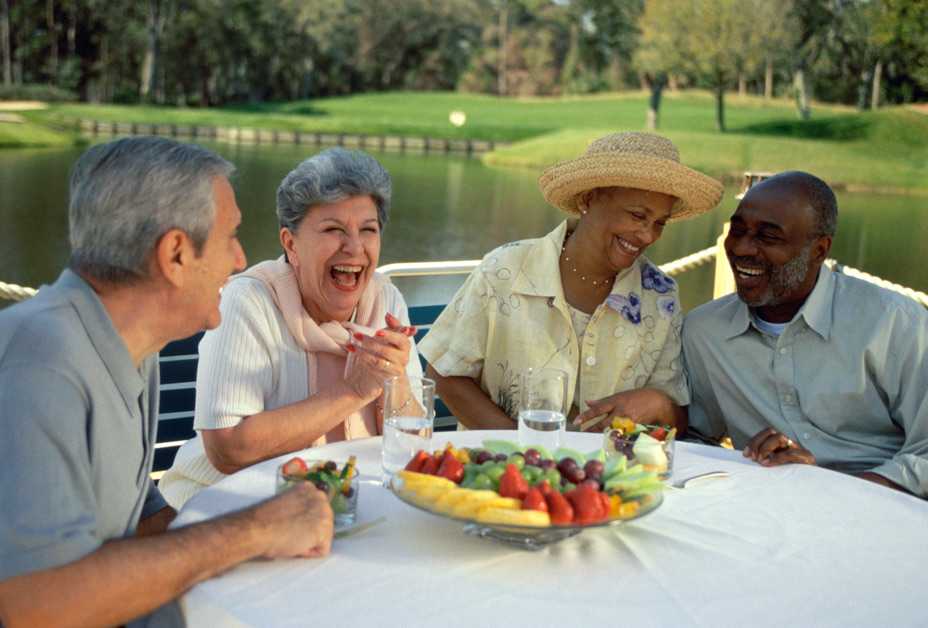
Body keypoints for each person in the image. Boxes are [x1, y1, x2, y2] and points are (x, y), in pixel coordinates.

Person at [0, 137, 334, 628]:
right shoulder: (39, 362)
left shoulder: (132, 345)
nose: (240, 259)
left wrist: (260, 546)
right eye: (230, 236)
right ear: (175, 253)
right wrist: (255, 529)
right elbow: (37, 605)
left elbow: (138, 514)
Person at [160, 147, 421, 509]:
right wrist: (355, 390)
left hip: (348, 507)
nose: (355, 247)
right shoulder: (248, 301)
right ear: (291, 243)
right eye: (333, 230)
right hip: (228, 508)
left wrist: (397, 381)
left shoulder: (387, 302)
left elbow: (413, 447)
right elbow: (228, 448)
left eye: (368, 230)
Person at [418, 132, 723, 430]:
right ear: (588, 200)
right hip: (499, 472)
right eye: (636, 215)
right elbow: (446, 373)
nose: (647, 235)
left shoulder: (660, 296)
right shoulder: (504, 270)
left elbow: (679, 419)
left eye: (659, 223)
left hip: (609, 476)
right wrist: (525, 452)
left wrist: (657, 404)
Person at [683, 171, 928, 498]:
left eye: (768, 237)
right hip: (765, 512)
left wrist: (832, 489)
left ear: (819, 250)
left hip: (885, 509)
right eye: (738, 230)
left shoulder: (895, 323)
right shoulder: (704, 332)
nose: (742, 248)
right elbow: (695, 440)